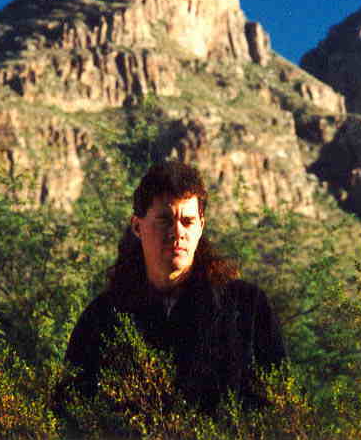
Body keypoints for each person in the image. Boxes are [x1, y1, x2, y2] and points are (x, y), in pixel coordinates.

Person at [57, 160, 286, 421]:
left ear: (201, 225)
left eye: (187, 221)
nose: (177, 233)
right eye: (164, 220)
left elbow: (280, 408)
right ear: (137, 226)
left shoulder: (247, 307)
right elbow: (69, 413)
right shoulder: (102, 317)